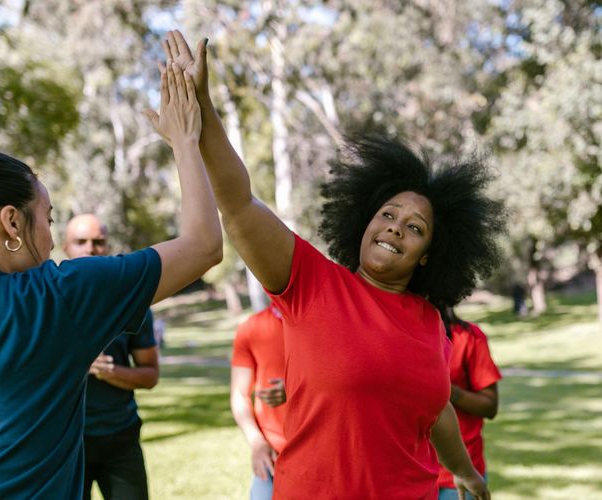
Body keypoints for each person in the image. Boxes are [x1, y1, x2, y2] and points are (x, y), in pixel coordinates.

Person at [160, 30, 505, 499]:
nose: (396, 227)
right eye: (387, 214)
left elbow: (436, 406)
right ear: (364, 222)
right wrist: (203, 109)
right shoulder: (312, 282)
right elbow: (239, 204)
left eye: (415, 227)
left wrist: (464, 471)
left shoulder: (430, 323)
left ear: (428, 254)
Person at [0, 62, 221, 498]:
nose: (51, 240)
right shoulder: (55, 298)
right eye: (47, 219)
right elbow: (203, 245)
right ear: (11, 223)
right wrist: (185, 139)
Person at [63, 214, 159, 500]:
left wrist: (110, 371)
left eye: (98, 242)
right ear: (65, 247)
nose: (90, 249)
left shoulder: (131, 303)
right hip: (67, 445)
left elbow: (150, 376)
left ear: (108, 246)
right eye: (80, 242)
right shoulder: (46, 300)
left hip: (121, 439)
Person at [437, 307, 502, 500]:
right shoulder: (398, 334)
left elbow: (489, 406)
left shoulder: (469, 336)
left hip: (459, 476)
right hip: (408, 472)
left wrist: (445, 389)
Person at [230, 305, 287, 500]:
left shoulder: (328, 320)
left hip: (326, 455)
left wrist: (298, 390)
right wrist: (257, 442)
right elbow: (239, 394)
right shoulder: (250, 328)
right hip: (273, 455)